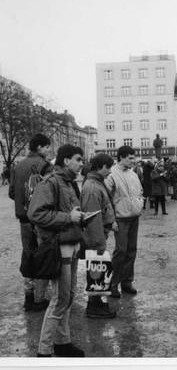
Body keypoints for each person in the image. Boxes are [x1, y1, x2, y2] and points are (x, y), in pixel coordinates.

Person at [27, 144, 85, 357]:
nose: (82, 164)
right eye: (78, 159)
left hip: (71, 245)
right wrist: (68, 217)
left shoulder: (69, 182)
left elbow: (66, 209)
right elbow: (36, 214)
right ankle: (44, 351)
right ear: (66, 160)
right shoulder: (51, 182)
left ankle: (62, 342)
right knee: (60, 298)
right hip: (60, 247)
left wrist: (78, 215)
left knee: (68, 296)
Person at [8, 133, 52, 312]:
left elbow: (12, 193)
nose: (49, 150)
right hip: (41, 219)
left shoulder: (17, 166)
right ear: (40, 148)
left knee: (28, 254)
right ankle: (39, 298)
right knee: (42, 255)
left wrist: (23, 201)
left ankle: (29, 295)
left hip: (24, 219)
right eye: (47, 147)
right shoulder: (46, 166)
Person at [80, 153, 117, 319]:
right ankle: (94, 307)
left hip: (100, 234)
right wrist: (98, 242)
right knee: (96, 270)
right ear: (100, 166)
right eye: (108, 167)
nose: (110, 171)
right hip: (96, 237)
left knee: (98, 271)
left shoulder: (96, 183)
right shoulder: (93, 187)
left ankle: (96, 303)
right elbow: (93, 216)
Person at [105, 146, 143, 298]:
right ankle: (113, 283)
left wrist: (140, 203)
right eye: (130, 158)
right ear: (121, 157)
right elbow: (106, 198)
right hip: (120, 218)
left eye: (134, 158)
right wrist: (111, 219)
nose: (133, 161)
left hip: (134, 216)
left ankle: (127, 282)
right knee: (121, 251)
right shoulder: (111, 174)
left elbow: (139, 192)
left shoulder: (133, 174)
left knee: (131, 250)